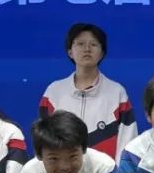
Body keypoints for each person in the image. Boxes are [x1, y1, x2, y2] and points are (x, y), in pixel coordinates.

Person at [38, 23, 136, 162]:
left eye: (93, 44)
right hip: (63, 170)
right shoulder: (53, 92)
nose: (87, 49)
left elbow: (128, 141)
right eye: (80, 44)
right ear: (70, 52)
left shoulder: (117, 93)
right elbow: (43, 139)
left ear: (102, 53)